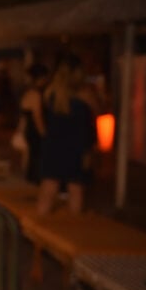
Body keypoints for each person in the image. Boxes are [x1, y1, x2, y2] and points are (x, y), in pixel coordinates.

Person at [36, 62, 97, 215]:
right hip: (77, 146)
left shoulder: (50, 95)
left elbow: (42, 123)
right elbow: (95, 115)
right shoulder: (85, 96)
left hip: (53, 146)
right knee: (75, 189)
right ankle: (74, 230)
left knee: (49, 187)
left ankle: (40, 227)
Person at [17, 62, 48, 183]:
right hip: (34, 132)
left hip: (29, 131)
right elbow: (37, 116)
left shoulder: (29, 93)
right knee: (35, 161)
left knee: (30, 160)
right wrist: (44, 134)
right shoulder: (35, 94)